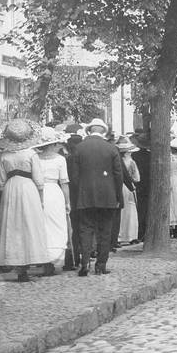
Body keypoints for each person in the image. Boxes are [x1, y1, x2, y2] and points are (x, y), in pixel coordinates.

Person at [0, 119, 50, 282]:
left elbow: (1, 180)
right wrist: (40, 198)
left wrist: (5, 191)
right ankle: (27, 261)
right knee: (29, 223)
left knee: (13, 225)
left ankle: (17, 263)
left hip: (11, 189)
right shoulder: (31, 154)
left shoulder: (5, 155)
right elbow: (39, 180)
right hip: (28, 189)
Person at [70, 118, 123, 276]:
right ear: (103, 131)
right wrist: (117, 196)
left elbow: (74, 176)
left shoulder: (79, 148)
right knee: (105, 231)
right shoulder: (111, 148)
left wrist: (79, 193)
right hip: (107, 196)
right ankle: (101, 265)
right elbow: (118, 175)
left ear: (89, 130)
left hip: (85, 196)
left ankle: (85, 262)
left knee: (85, 229)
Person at [33, 127, 70, 265]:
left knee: (42, 223)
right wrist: (67, 202)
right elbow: (64, 182)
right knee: (56, 222)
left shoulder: (35, 158)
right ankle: (55, 256)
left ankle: (42, 255)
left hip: (39, 191)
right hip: (54, 191)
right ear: (54, 144)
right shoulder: (60, 160)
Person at [115, 136, 140, 244]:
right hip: (129, 187)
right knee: (131, 211)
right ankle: (131, 235)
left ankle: (119, 236)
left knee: (120, 212)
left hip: (118, 186)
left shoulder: (115, 161)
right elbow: (137, 178)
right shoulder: (131, 162)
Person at [131, 131, 151, 243]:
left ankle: (139, 231)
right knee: (146, 209)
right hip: (148, 185)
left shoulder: (134, 156)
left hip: (138, 184)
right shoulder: (151, 156)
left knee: (139, 209)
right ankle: (144, 232)